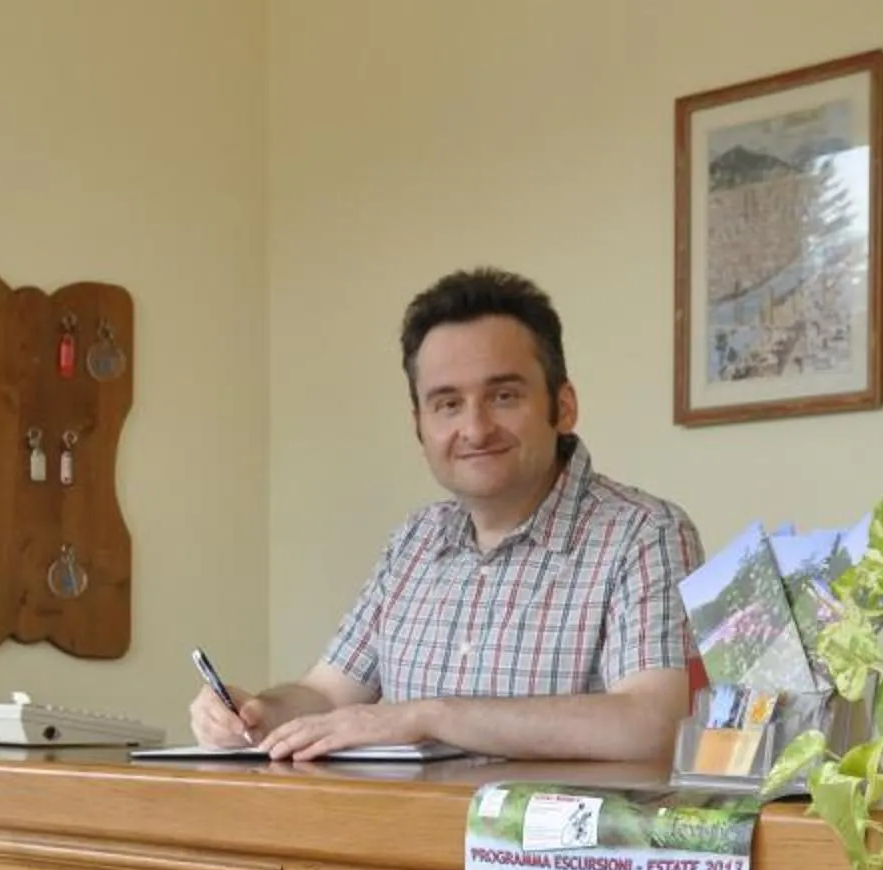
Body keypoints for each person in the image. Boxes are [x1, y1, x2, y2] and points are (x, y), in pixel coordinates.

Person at [192, 268, 702, 762]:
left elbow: (652, 724)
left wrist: (428, 716)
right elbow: (326, 694)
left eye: (503, 396)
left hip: (546, 849)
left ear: (563, 406)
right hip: (390, 839)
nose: (476, 429)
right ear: (419, 426)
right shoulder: (414, 540)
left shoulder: (645, 533)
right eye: (447, 404)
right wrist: (258, 713)